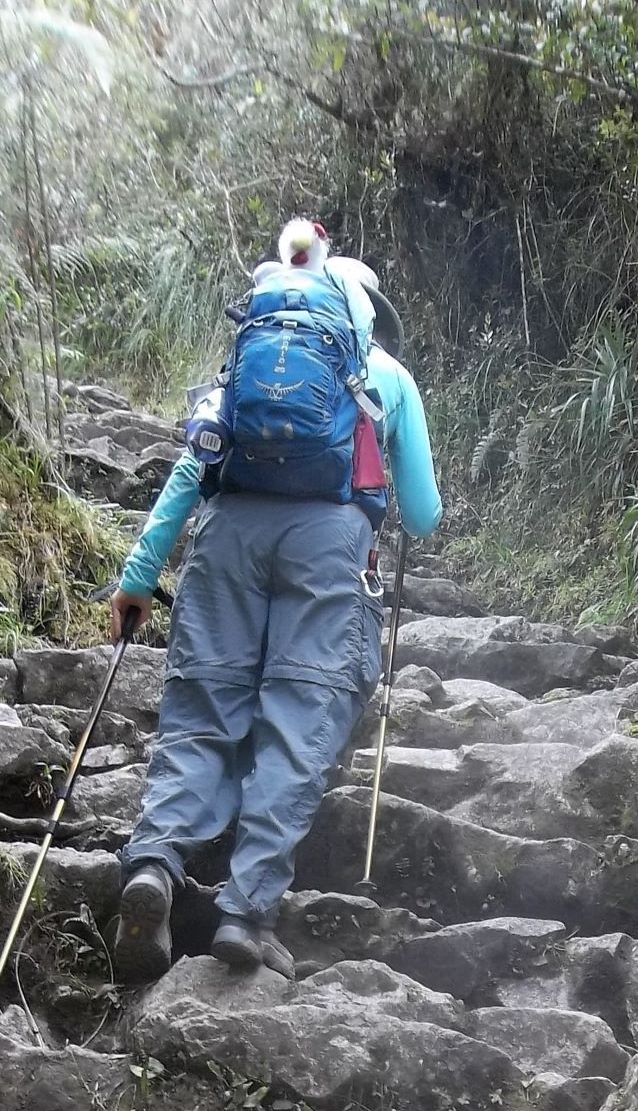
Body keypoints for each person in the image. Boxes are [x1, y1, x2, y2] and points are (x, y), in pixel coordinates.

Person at [108, 221, 443, 982]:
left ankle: (155, 866)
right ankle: (245, 913)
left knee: (201, 710)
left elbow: (194, 468)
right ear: (365, 312)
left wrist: (137, 577)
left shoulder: (248, 363)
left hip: (227, 537)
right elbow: (421, 515)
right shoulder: (382, 373)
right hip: (328, 549)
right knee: (297, 720)